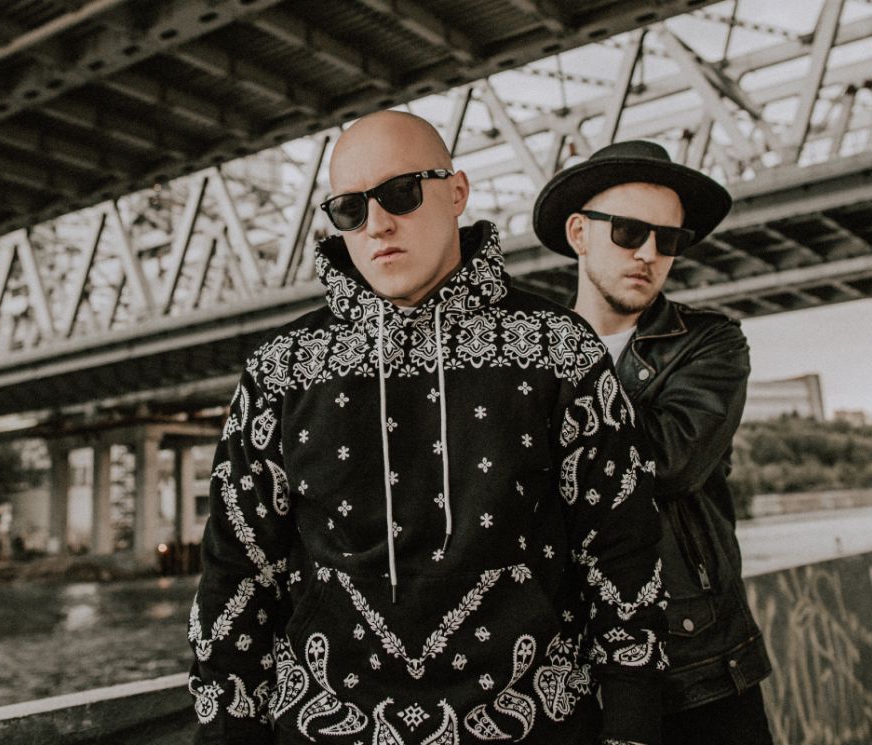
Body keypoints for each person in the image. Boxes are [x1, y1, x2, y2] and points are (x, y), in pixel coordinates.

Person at [187, 112, 669, 745]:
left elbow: (622, 553)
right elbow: (236, 572)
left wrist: (631, 731)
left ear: (457, 192)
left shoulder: (561, 349)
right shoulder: (281, 368)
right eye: (350, 209)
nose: (377, 224)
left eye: (401, 193)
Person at [533, 140, 774, 744]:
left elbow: (670, 462)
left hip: (696, 663)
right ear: (579, 233)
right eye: (629, 232)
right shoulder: (530, 355)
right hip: (563, 671)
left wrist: (543, 416)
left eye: (669, 240)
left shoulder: (709, 344)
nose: (649, 253)